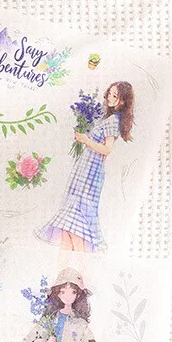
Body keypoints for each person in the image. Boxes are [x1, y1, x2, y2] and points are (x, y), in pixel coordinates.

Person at [36, 82, 135, 251]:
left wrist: (85, 140)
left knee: (76, 225)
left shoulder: (113, 121)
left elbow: (107, 149)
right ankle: (66, 265)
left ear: (123, 101)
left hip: (90, 175)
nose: (110, 98)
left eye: (115, 96)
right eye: (109, 93)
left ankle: (81, 264)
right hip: (86, 171)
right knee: (67, 228)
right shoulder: (109, 118)